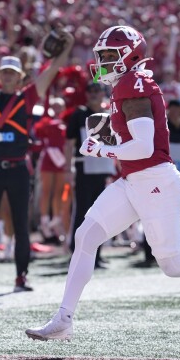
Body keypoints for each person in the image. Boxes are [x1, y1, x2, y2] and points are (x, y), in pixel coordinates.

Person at [26, 25, 180, 341]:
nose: (104, 62)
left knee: (173, 265)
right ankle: (64, 320)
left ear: (130, 54)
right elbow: (135, 140)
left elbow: (145, 147)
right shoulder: (126, 84)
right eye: (103, 56)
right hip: (133, 180)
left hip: (155, 181)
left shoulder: (133, 85)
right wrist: (110, 136)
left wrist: (102, 147)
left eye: (111, 55)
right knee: (85, 236)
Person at [0, 14, 75, 293]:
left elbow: (53, 69)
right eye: (4, 72)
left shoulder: (28, 96)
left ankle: (21, 275)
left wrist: (66, 49)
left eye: (12, 73)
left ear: (19, 78)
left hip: (19, 169)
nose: (7, 76)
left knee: (21, 224)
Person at [142, 98, 180, 265]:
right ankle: (149, 255)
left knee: (177, 218)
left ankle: (175, 254)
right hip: (159, 181)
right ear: (171, 109)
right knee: (153, 216)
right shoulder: (160, 129)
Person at [64, 81, 113, 268]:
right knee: (82, 215)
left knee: (100, 215)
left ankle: (96, 255)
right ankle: (76, 254)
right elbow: (69, 143)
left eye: (97, 91)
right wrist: (68, 168)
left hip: (103, 171)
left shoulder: (109, 115)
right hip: (85, 171)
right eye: (90, 91)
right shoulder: (78, 115)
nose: (93, 94)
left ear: (103, 94)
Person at [35, 97, 67, 243]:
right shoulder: (46, 122)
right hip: (49, 159)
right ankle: (44, 219)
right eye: (54, 106)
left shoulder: (66, 123)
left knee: (59, 191)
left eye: (59, 106)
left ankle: (56, 219)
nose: (56, 109)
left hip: (61, 160)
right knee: (47, 190)